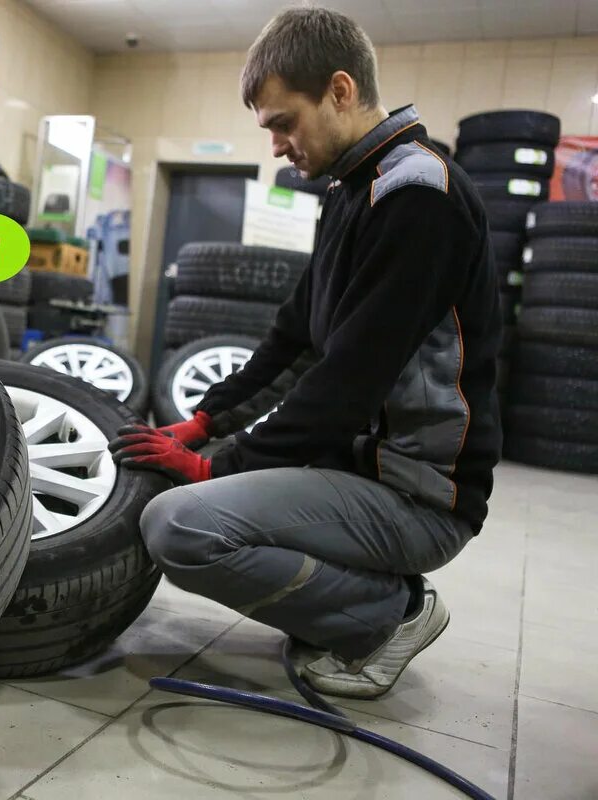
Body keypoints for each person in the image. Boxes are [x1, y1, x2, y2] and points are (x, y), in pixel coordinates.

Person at [110, 7, 502, 699]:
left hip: (418, 497)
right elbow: (296, 332)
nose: (277, 145)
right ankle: (354, 597)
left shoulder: (418, 197)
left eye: (283, 123)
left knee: (179, 527)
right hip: (357, 469)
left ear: (341, 91)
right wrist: (206, 419)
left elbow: (349, 377)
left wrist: (215, 466)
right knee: (206, 497)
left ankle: (390, 615)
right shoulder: (354, 188)